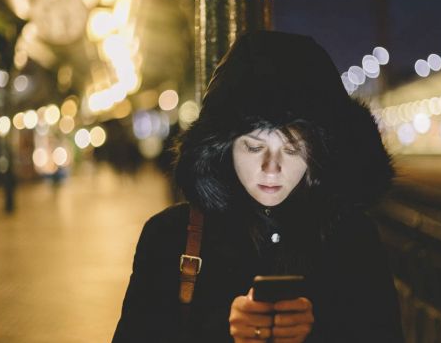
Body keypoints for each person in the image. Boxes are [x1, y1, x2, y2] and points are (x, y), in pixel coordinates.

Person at [112, 31, 404, 342]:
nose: (271, 167)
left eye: (292, 149)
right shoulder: (170, 236)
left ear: (318, 151)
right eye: (253, 147)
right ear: (223, 148)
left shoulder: (353, 239)